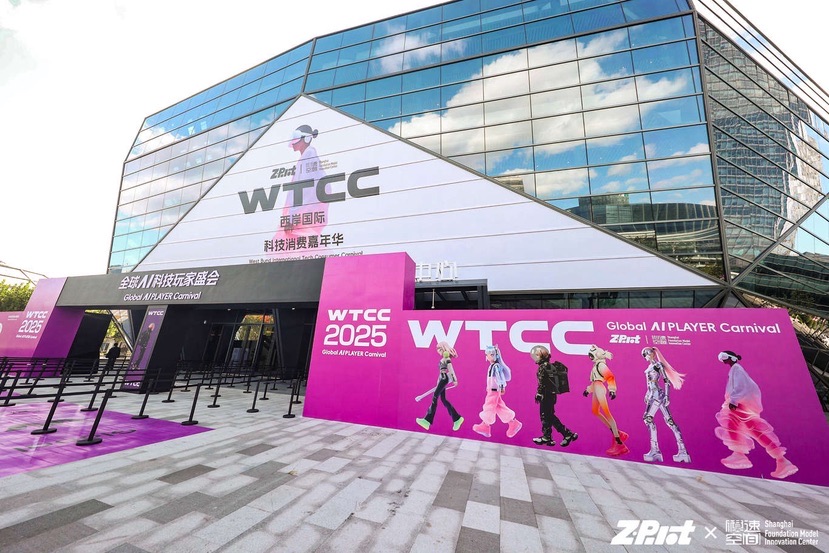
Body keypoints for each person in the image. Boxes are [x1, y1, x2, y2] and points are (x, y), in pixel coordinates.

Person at [714, 350, 798, 479]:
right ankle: (781, 460)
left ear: (731, 358)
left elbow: (741, 386)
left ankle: (739, 454)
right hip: (744, 403)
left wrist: (734, 400)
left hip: (740, 403)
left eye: (724, 358)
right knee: (755, 430)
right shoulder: (736, 369)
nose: (724, 361)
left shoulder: (737, 369)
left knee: (732, 423)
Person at [641, 347, 690, 463]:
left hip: (656, 395)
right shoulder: (651, 366)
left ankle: (655, 450)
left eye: (646, 354)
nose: (646, 356)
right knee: (669, 421)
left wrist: (667, 396)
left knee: (648, 419)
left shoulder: (657, 365)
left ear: (652, 354)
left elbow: (666, 381)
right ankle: (682, 451)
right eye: (644, 355)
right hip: (654, 394)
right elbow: (649, 384)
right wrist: (647, 394)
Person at [583, 345, 629, 456]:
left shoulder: (601, 365)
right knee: (595, 411)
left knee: (607, 413)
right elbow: (595, 381)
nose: (590, 357)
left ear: (597, 355)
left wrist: (612, 389)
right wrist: (588, 390)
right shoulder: (597, 365)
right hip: (596, 388)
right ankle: (617, 432)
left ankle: (619, 442)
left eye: (591, 355)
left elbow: (610, 377)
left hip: (599, 389)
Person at [530, 345, 577, 447]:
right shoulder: (550, 366)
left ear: (540, 356)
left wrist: (539, 393)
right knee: (549, 416)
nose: (534, 357)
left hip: (545, 395)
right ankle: (561, 435)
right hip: (552, 395)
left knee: (545, 416)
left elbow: (542, 382)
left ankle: (555, 435)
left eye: (536, 355)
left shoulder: (542, 367)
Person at [472, 345, 522, 438]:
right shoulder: (493, 366)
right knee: (499, 407)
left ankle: (485, 425)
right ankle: (513, 423)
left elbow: (500, 378)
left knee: (489, 406)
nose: (486, 356)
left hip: (494, 391)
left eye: (487, 354)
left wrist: (502, 386)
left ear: (493, 355)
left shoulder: (496, 366)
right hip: (492, 389)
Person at [416, 341, 463, 431]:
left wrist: (455, 379)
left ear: (444, 348)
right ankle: (457, 419)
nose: (438, 351)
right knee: (443, 400)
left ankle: (427, 421)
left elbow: (451, 369)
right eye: (438, 349)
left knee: (435, 397)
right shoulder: (444, 358)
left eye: (440, 349)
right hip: (442, 379)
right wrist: (438, 382)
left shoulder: (446, 358)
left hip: (444, 379)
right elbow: (442, 373)